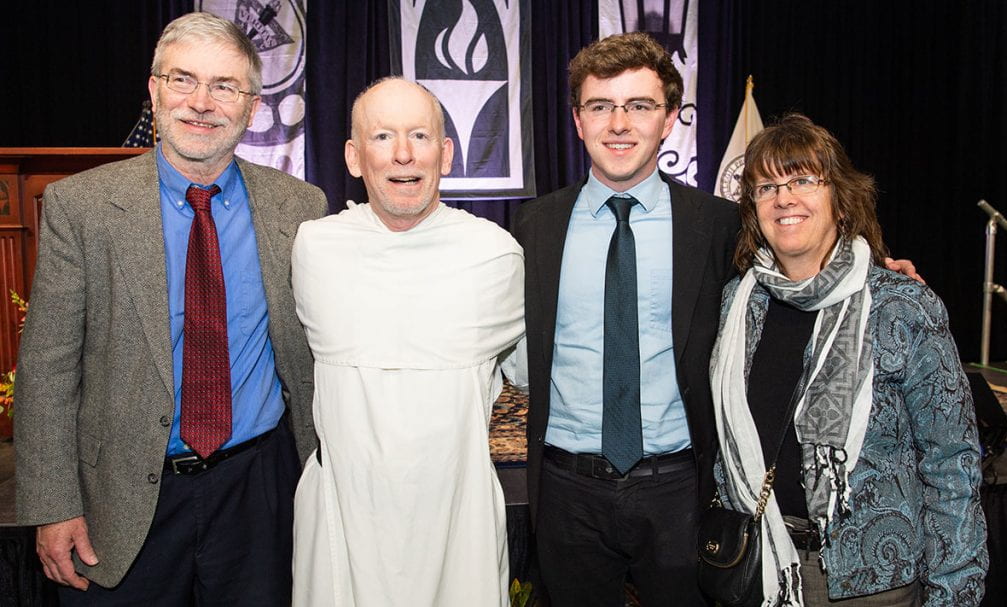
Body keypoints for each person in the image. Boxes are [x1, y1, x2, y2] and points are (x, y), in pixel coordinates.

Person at [15, 12, 327, 605]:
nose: (202, 102)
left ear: (253, 106)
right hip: (122, 500)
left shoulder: (300, 207)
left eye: (224, 86)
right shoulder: (81, 207)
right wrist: (53, 505)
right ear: (154, 90)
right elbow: (48, 370)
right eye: (183, 80)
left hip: (260, 491)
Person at [710, 113, 988, 605]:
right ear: (754, 209)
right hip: (759, 570)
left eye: (802, 180)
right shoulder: (739, 302)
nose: (784, 198)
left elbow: (952, 463)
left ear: (841, 199)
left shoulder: (901, 305)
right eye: (766, 186)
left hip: (872, 583)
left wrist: (955, 592)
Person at [511, 32, 739, 606]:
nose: (619, 123)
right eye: (600, 106)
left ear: (667, 120)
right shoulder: (534, 227)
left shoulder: (717, 226)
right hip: (566, 492)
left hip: (680, 489)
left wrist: (875, 266)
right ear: (578, 120)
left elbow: (794, 269)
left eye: (638, 106)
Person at [290, 77, 523, 607]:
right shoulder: (315, 249)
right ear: (353, 157)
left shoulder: (495, 254)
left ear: (445, 154)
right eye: (382, 137)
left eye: (419, 136)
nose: (402, 155)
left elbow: (530, 373)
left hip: (457, 518)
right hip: (342, 514)